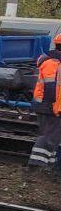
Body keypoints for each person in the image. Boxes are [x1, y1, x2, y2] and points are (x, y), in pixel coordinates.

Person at [29, 31, 61, 171]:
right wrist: (55, 109)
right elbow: (51, 88)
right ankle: (36, 166)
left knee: (54, 135)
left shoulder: (54, 62)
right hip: (48, 105)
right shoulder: (52, 63)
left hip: (48, 105)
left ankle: (49, 167)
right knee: (49, 135)